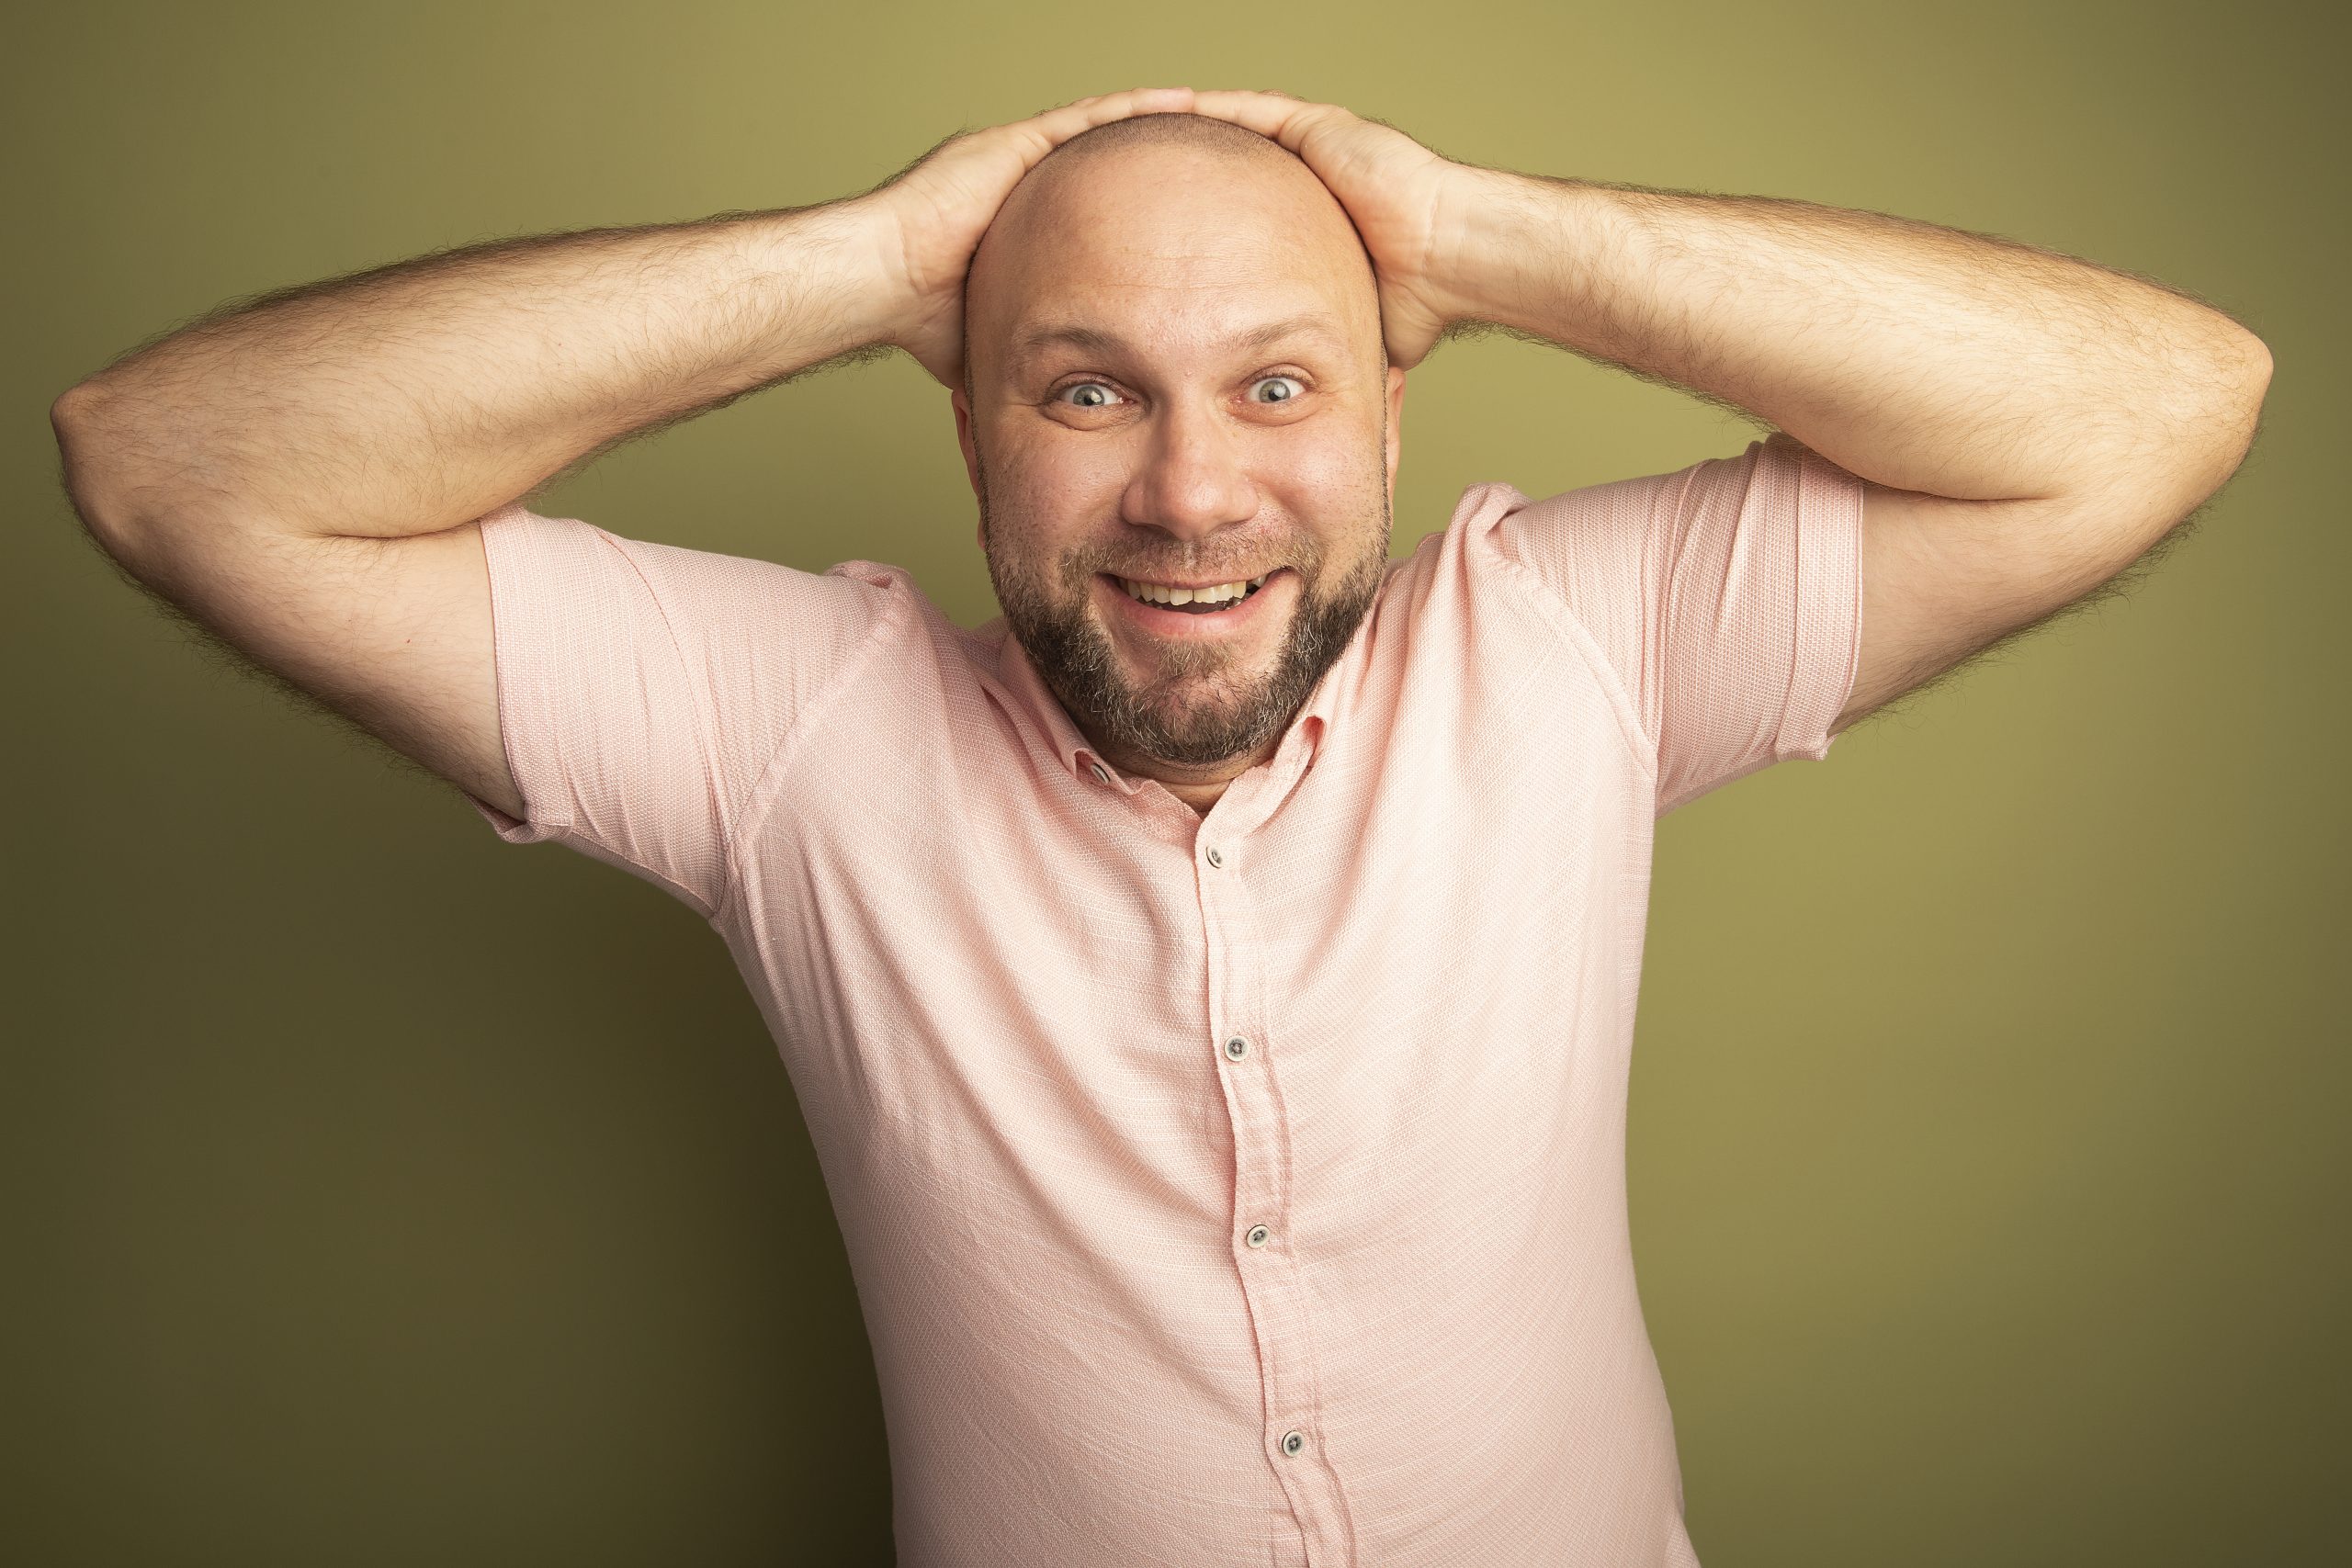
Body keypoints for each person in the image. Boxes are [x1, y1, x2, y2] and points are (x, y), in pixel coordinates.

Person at [50, 85, 2268, 1567]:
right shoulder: (794, 738)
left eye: (1279, 382)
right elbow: (177, 463)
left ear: (1398, 400)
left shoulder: (1566, 645)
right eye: (1083, 382)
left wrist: (1471, 229)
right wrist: (869, 254)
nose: (1191, 492)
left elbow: (2157, 405)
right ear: (970, 421)